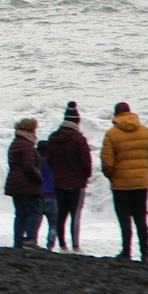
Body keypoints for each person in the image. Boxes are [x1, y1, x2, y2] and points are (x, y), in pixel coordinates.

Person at [101, 101, 148, 262]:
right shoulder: (146, 131)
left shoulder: (111, 134)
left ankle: (126, 251)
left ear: (115, 115)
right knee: (140, 218)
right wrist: (145, 171)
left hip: (120, 184)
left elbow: (107, 162)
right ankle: (145, 253)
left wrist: (111, 176)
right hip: (141, 183)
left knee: (124, 219)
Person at [43, 102, 91, 251]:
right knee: (75, 215)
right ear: (77, 121)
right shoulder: (79, 139)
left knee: (61, 214)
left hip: (58, 182)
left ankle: (62, 245)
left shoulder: (53, 138)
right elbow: (86, 163)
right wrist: (85, 177)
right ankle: (76, 246)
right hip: (76, 182)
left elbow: (49, 160)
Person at [5, 118, 45, 248]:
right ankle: (30, 240)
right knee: (35, 211)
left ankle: (18, 241)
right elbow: (28, 166)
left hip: (15, 183)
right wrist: (39, 177)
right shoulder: (26, 145)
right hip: (27, 184)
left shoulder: (15, 143)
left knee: (20, 213)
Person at [39, 138, 62, 250]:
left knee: (36, 222)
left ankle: (32, 240)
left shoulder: (37, 162)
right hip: (52, 196)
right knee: (53, 224)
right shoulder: (53, 163)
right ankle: (50, 245)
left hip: (38, 196)